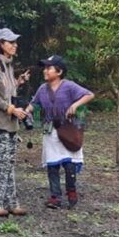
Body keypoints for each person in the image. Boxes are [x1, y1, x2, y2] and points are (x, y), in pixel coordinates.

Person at [25, 55, 95, 209]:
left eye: (49, 68)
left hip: (68, 129)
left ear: (59, 71)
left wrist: (75, 105)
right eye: (45, 68)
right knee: (52, 166)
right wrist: (25, 112)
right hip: (50, 130)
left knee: (69, 163)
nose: (45, 71)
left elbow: (89, 94)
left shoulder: (69, 86)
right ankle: (55, 196)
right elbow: (33, 104)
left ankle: (71, 191)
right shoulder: (42, 89)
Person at [0, 28, 30, 216]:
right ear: (1, 44)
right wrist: (9, 108)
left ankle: (11, 202)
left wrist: (18, 83)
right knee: (2, 164)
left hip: (11, 124)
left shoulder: (8, 66)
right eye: (11, 42)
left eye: (15, 42)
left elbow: (5, 91)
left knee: (10, 163)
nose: (15, 45)